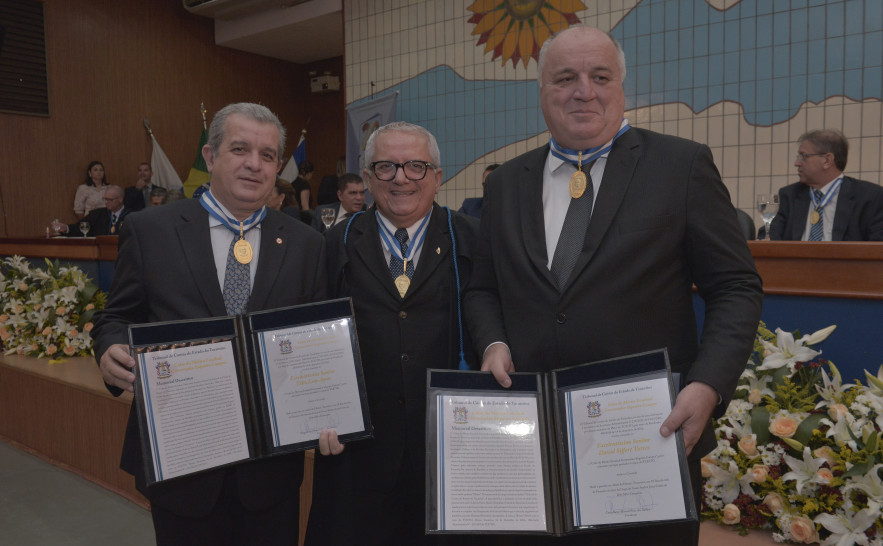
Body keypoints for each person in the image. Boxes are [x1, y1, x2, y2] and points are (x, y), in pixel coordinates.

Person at [464, 26, 763, 545]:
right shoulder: (507, 182)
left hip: (646, 443)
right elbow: (482, 288)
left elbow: (736, 286)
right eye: (565, 78)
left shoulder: (681, 165)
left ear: (621, 86)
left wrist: (707, 384)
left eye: (599, 76)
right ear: (542, 92)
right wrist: (492, 342)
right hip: (531, 444)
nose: (584, 90)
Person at [91, 102, 327, 545]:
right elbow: (116, 316)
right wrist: (109, 349)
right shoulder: (150, 230)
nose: (254, 164)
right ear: (211, 155)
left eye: (268, 155)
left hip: (269, 470)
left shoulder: (307, 243)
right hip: (182, 465)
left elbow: (314, 339)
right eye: (240, 149)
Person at [305, 122, 478, 546]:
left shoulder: (473, 240)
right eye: (385, 167)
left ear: (437, 176)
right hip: (358, 455)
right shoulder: (332, 244)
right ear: (366, 179)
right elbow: (309, 338)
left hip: (450, 454)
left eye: (416, 166)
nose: (401, 178)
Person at [770, 129, 883, 241]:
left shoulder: (870, 197)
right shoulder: (790, 195)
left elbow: (877, 248)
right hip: (795, 259)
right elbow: (768, 235)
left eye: (804, 156)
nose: (797, 163)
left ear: (827, 160)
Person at [52, 185, 128, 236]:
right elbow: (80, 227)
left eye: (110, 200)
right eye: (105, 199)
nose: (106, 202)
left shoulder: (131, 216)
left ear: (120, 199)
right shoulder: (98, 214)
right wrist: (66, 228)